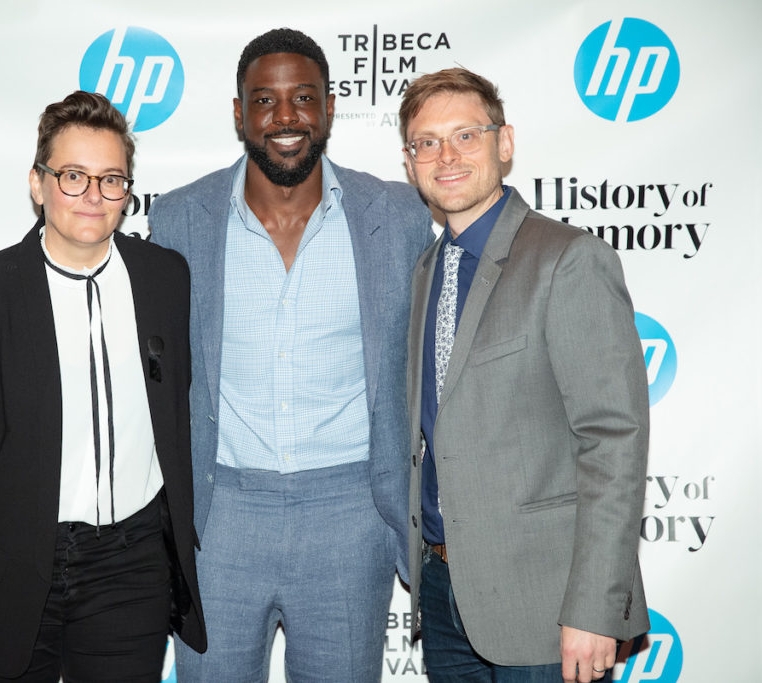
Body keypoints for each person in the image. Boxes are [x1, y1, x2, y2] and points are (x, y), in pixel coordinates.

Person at [149, 27, 432, 683]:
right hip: (219, 519)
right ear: (240, 113)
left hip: (350, 514)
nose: (285, 117)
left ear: (329, 108)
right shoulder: (179, 219)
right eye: (265, 100)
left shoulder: (398, 215)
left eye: (303, 97)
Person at [0, 90, 205, 682]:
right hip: (7, 565)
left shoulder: (164, 278)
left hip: (130, 568)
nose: (94, 196)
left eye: (111, 179)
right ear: (37, 184)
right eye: (73, 176)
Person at [399, 68, 650, 683]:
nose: (446, 156)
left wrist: (595, 608)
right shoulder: (426, 270)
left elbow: (612, 438)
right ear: (410, 163)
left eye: (465, 135)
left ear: (504, 143)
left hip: (549, 606)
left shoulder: (566, 259)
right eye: (425, 142)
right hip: (443, 592)